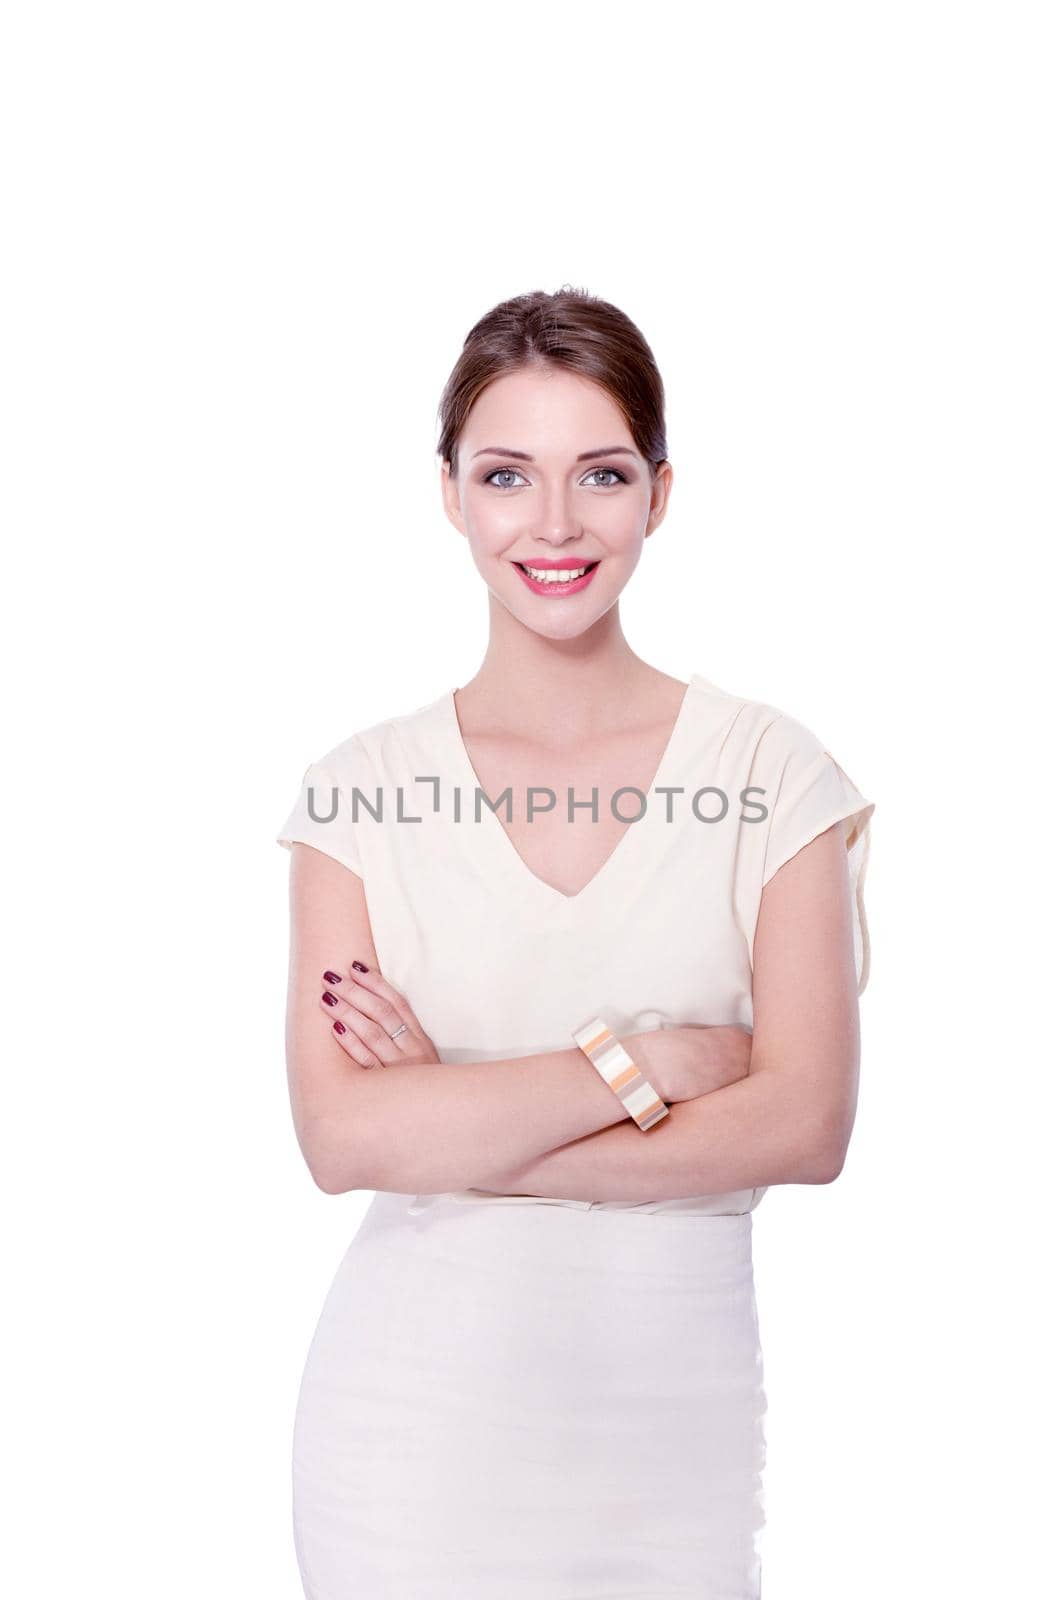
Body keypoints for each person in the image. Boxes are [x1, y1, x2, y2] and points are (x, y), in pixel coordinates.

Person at [275, 285, 875, 1598]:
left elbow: (807, 1126)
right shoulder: (358, 793)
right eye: (506, 475)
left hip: (677, 1451)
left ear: (660, 492)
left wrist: (465, 1115)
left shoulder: (774, 775)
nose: (554, 525)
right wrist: (648, 1062)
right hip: (407, 1450)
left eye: (600, 474)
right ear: (450, 494)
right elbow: (344, 1143)